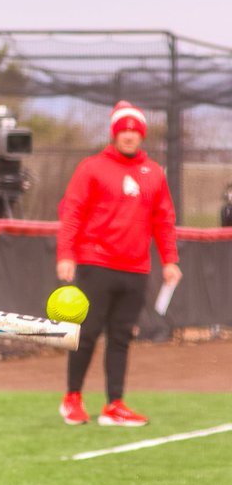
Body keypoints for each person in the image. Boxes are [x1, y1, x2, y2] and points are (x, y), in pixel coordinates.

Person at [56, 100, 181, 428]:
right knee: (87, 333)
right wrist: (66, 253)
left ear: (142, 135)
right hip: (96, 263)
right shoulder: (91, 167)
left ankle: (114, 405)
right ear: (114, 133)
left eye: (134, 130)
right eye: (123, 129)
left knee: (122, 337)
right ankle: (72, 399)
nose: (128, 135)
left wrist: (170, 260)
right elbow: (72, 211)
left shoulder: (153, 173)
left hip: (136, 270)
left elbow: (164, 220)